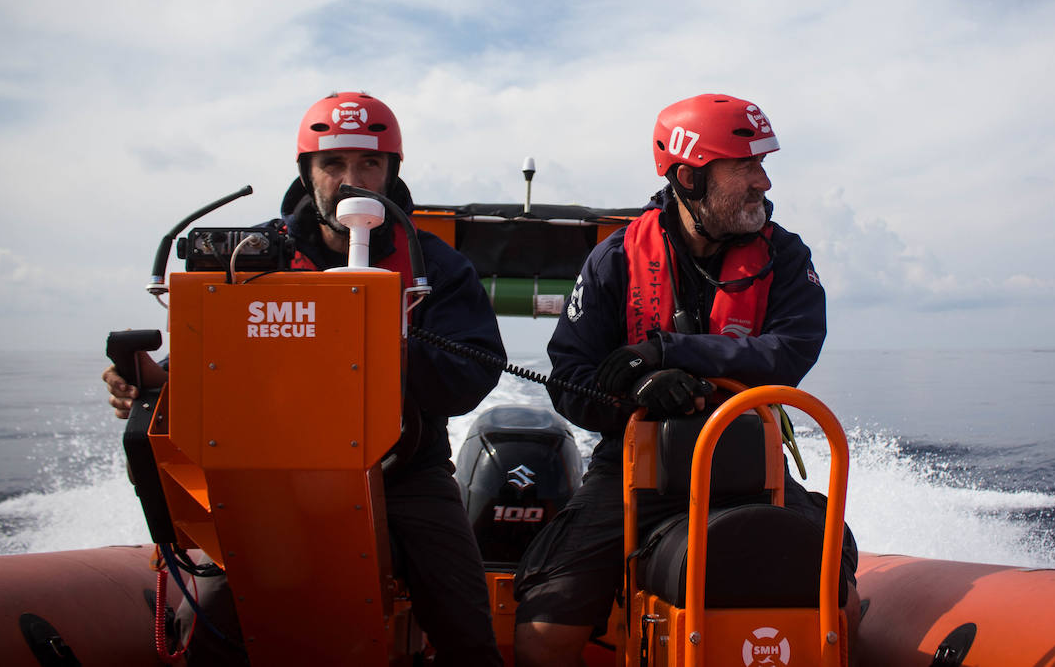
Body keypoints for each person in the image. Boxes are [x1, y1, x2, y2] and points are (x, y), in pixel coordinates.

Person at [102, 91, 506, 667]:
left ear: (391, 172)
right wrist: (153, 381)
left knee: (467, 628)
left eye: (369, 164)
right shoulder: (251, 257)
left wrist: (371, 347)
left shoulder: (435, 265)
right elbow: (213, 358)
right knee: (208, 620)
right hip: (273, 479)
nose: (351, 179)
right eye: (333, 164)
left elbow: (473, 373)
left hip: (406, 474)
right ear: (306, 172)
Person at [512, 93, 861, 666]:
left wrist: (669, 352)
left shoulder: (788, 258)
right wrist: (635, 395)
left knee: (838, 605)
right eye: (745, 165)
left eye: (762, 164)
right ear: (689, 177)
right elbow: (569, 377)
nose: (763, 182)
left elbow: (791, 351)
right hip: (635, 471)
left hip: (754, 467)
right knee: (542, 636)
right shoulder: (614, 259)